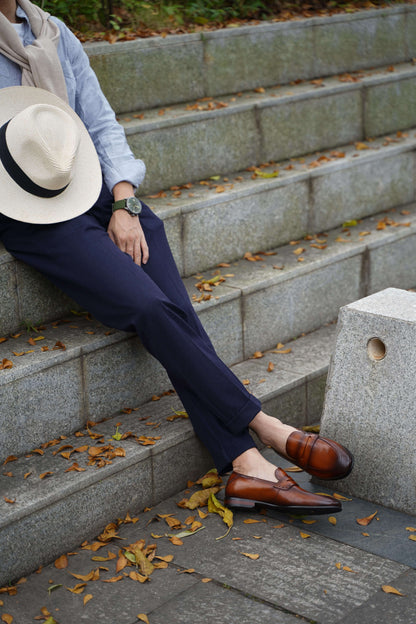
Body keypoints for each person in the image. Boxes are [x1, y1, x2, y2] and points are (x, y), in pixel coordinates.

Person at [0, 0, 353, 515]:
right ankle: (267, 429)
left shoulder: (50, 29)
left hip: (90, 186)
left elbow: (99, 121)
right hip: (31, 211)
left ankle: (246, 467)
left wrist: (124, 201)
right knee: (150, 309)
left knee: (174, 308)